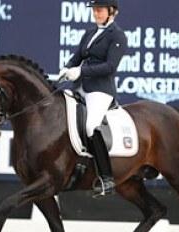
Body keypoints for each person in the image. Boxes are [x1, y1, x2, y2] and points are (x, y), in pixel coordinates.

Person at [59, 0, 127, 196]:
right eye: (95, 10)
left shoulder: (118, 36)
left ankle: (107, 178)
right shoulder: (89, 33)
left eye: (99, 10)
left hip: (100, 89)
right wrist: (68, 67)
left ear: (111, 11)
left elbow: (110, 67)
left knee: (90, 126)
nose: (95, 14)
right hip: (80, 86)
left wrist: (80, 71)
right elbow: (77, 57)